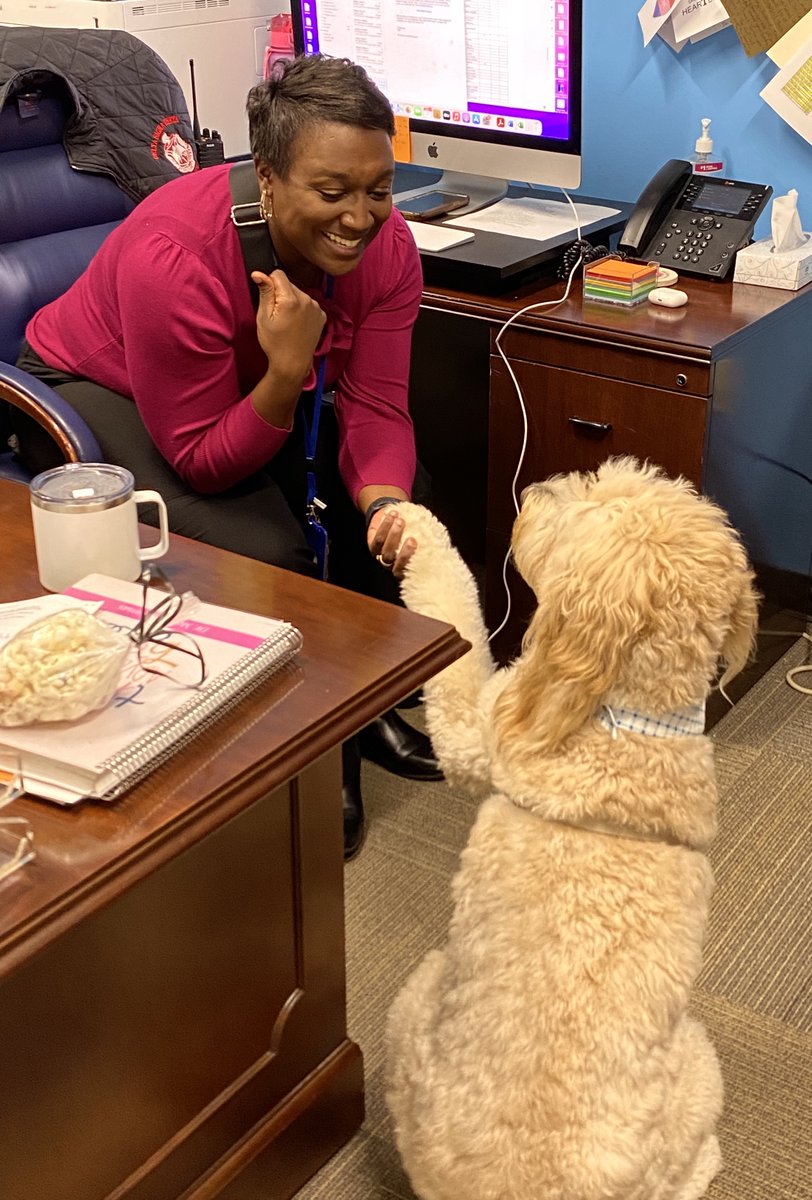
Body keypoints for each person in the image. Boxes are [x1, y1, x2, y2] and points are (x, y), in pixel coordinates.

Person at [13, 53, 442, 858]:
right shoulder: (175, 254)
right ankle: (316, 752)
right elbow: (205, 459)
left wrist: (385, 503)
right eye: (332, 192)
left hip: (243, 385)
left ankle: (363, 705)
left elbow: (379, 406)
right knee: (268, 551)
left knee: (400, 501)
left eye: (378, 189)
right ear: (268, 178)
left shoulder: (388, 248)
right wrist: (285, 372)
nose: (361, 218)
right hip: (98, 381)